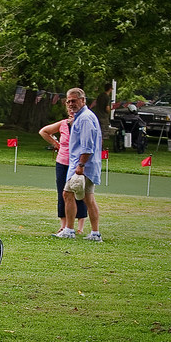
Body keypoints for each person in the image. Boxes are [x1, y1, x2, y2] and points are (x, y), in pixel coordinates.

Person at [57, 88, 103, 242]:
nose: (71, 104)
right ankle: (95, 233)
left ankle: (69, 230)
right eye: (68, 101)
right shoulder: (82, 117)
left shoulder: (84, 119)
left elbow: (87, 146)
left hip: (83, 166)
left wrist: (81, 165)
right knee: (88, 198)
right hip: (86, 165)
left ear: (83, 101)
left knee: (67, 194)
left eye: (74, 101)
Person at [39, 108, 87, 236]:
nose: (72, 114)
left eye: (75, 112)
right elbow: (43, 132)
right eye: (70, 112)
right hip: (62, 162)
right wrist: (56, 143)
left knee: (79, 192)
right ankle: (63, 225)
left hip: (77, 163)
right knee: (62, 193)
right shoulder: (63, 124)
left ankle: (80, 226)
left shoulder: (83, 125)